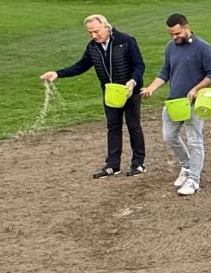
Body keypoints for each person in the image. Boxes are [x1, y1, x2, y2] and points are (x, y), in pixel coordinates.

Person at [40, 13, 147, 178]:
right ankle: (112, 165)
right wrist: (58, 73)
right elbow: (81, 66)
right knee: (113, 127)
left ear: (106, 27)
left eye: (96, 31)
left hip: (130, 91)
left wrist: (132, 81)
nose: (94, 35)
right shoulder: (93, 47)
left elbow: (139, 65)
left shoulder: (126, 41)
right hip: (110, 93)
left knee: (133, 125)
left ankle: (138, 163)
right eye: (90, 32)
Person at [139, 13, 211, 197]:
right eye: (171, 35)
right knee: (169, 136)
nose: (175, 37)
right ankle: (187, 165)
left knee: (194, 140)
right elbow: (165, 72)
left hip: (194, 103)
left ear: (186, 26)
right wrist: (151, 88)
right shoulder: (171, 47)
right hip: (174, 101)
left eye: (177, 33)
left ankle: (194, 179)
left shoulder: (203, 48)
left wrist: (197, 88)